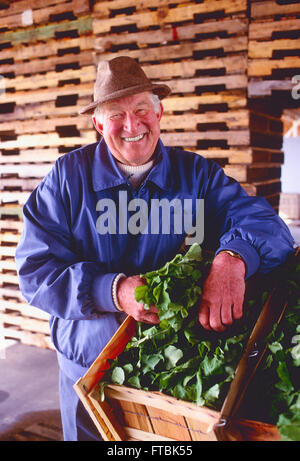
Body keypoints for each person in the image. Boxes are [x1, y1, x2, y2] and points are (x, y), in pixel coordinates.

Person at [15, 56, 295, 441]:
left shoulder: (196, 176)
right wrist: (113, 291)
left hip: (166, 376)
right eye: (116, 114)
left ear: (159, 112)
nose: (132, 125)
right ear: (98, 123)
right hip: (87, 371)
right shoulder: (67, 179)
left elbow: (267, 226)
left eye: (141, 109)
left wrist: (234, 257)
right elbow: (35, 272)